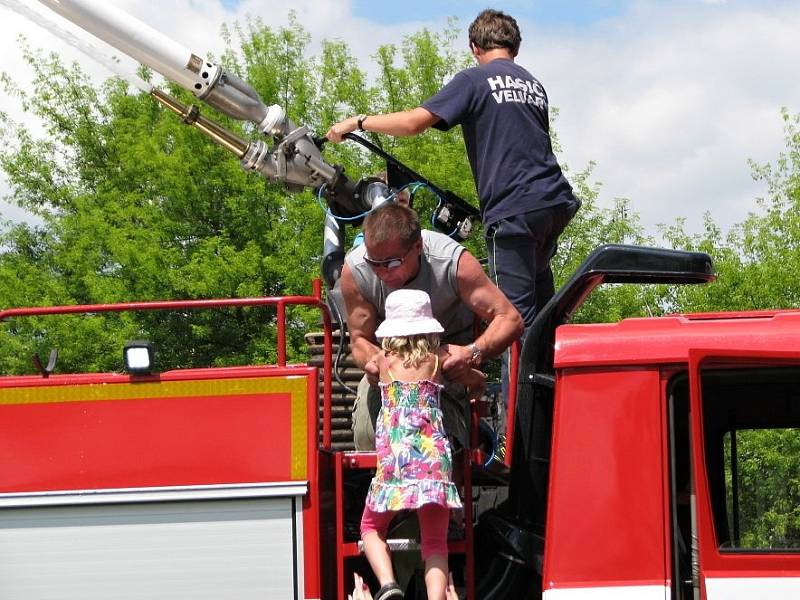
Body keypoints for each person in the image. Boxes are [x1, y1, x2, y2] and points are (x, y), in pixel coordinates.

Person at [327, 9, 580, 335]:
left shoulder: (475, 79)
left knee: (511, 321)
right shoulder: (533, 84)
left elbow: (413, 123)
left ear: (474, 47)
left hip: (515, 209)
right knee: (544, 316)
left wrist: (358, 122)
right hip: (554, 204)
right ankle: (551, 379)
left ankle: (521, 386)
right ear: (515, 48)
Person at [339, 202, 522, 452]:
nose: (381, 273)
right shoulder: (355, 270)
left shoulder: (452, 262)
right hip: (389, 362)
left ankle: (448, 470)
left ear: (417, 247)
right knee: (367, 435)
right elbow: (359, 339)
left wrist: (470, 353)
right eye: (374, 263)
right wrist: (374, 362)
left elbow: (509, 318)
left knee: (436, 439)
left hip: (445, 364)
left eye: (392, 263)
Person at [359, 289, 484, 600]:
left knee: (371, 527)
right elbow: (474, 379)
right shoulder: (438, 358)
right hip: (433, 462)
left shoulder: (382, 360)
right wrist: (477, 382)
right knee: (435, 543)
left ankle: (388, 585)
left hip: (395, 460)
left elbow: (368, 368)